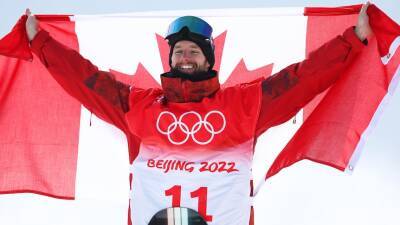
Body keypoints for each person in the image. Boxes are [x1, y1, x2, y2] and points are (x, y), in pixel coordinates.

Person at [25, 3, 372, 225]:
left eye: (194, 51)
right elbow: (86, 81)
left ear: (209, 60)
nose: (186, 57)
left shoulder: (243, 104)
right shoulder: (138, 106)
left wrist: (352, 39)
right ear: (170, 59)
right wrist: (40, 42)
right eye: (179, 51)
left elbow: (300, 80)